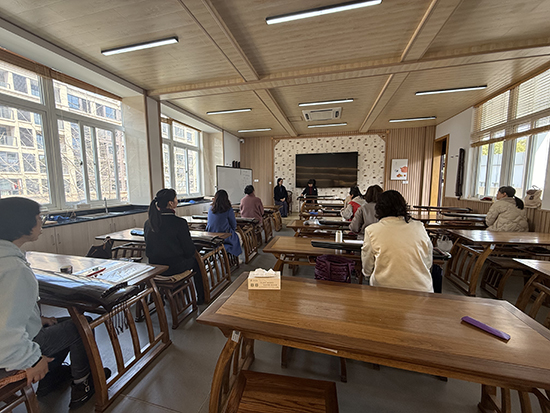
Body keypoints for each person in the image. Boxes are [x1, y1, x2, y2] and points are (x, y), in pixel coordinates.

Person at [0, 197, 105, 409]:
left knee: (60, 323)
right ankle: (82, 384)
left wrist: (37, 319)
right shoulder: (15, 269)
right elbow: (6, 333)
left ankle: (51, 379)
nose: (42, 222)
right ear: (22, 224)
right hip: (8, 353)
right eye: (39, 217)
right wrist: (32, 360)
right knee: (80, 326)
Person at [361, 190, 433, 293]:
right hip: (422, 289)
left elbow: (367, 262)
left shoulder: (372, 230)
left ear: (378, 209)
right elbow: (428, 258)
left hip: (384, 289)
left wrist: (367, 274)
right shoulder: (419, 226)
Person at [144, 188, 205, 304]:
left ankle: (173, 292)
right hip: (173, 268)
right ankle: (202, 297)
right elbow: (188, 250)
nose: (177, 200)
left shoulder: (149, 223)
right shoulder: (179, 223)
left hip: (154, 268)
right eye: (176, 198)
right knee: (197, 261)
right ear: (170, 203)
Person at [206, 190, 242, 257]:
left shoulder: (210, 209)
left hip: (211, 235)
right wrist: (231, 232)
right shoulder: (228, 209)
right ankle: (236, 257)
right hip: (224, 236)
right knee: (238, 236)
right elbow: (233, 224)